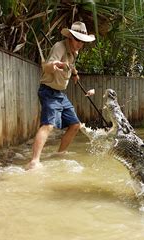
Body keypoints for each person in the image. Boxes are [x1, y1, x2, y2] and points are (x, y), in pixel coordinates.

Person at [26, 21, 96, 170]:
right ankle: (34, 161)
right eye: (78, 40)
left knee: (75, 125)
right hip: (48, 91)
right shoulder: (59, 46)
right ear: (70, 37)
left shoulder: (74, 52)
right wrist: (55, 65)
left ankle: (60, 153)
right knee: (48, 125)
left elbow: (71, 65)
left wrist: (75, 74)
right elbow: (46, 65)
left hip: (60, 94)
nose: (80, 44)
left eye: (82, 41)